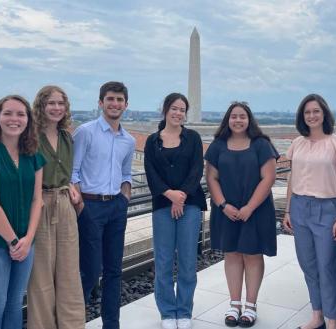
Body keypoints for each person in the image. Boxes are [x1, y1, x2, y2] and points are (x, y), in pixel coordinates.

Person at [0, 95, 45, 329]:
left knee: (15, 304)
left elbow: (37, 200)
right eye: (8, 113)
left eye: (21, 114)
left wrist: (28, 239)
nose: (15, 119)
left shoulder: (33, 155)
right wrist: (14, 241)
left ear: (28, 120)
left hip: (25, 240)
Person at [205, 102, 278, 328]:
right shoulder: (218, 145)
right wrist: (223, 205)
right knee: (233, 254)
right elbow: (211, 178)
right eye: (234, 116)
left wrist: (250, 207)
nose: (238, 120)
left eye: (242, 116)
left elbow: (269, 178)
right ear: (228, 119)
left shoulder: (261, 145)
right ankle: (234, 304)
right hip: (227, 211)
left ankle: (251, 306)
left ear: (249, 119)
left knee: (253, 255)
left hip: (255, 210)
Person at [282, 94, 336, 329]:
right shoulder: (297, 143)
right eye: (307, 112)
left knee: (327, 267)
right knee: (308, 265)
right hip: (300, 208)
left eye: (316, 111)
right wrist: (288, 211)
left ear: (324, 114)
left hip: (327, 209)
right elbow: (293, 178)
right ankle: (317, 315)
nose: (311, 116)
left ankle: (332, 321)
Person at [72, 81, 136, 329]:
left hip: (116, 209)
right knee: (88, 271)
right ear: (100, 102)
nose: (115, 104)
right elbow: (73, 172)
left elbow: (126, 173)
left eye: (120, 100)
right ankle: (74, 322)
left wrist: (125, 199)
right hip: (90, 208)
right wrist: (81, 208)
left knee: (113, 271)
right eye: (110, 99)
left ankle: (111, 324)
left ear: (126, 105)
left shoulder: (128, 140)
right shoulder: (85, 132)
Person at [144, 93, 207, 329]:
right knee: (163, 260)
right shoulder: (152, 141)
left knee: (188, 259)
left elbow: (196, 169)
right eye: (174, 108)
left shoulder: (193, 138)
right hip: (162, 205)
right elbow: (151, 174)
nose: (178, 113)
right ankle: (167, 312)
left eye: (182, 109)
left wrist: (181, 196)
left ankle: (184, 310)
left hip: (189, 204)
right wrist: (170, 194)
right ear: (165, 110)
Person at [27, 86, 85, 329]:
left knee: (70, 273)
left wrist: (73, 187)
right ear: (41, 105)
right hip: (39, 204)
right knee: (40, 276)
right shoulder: (29, 137)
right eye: (51, 103)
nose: (56, 108)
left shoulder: (66, 137)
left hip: (64, 203)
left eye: (60, 103)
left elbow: (69, 172)